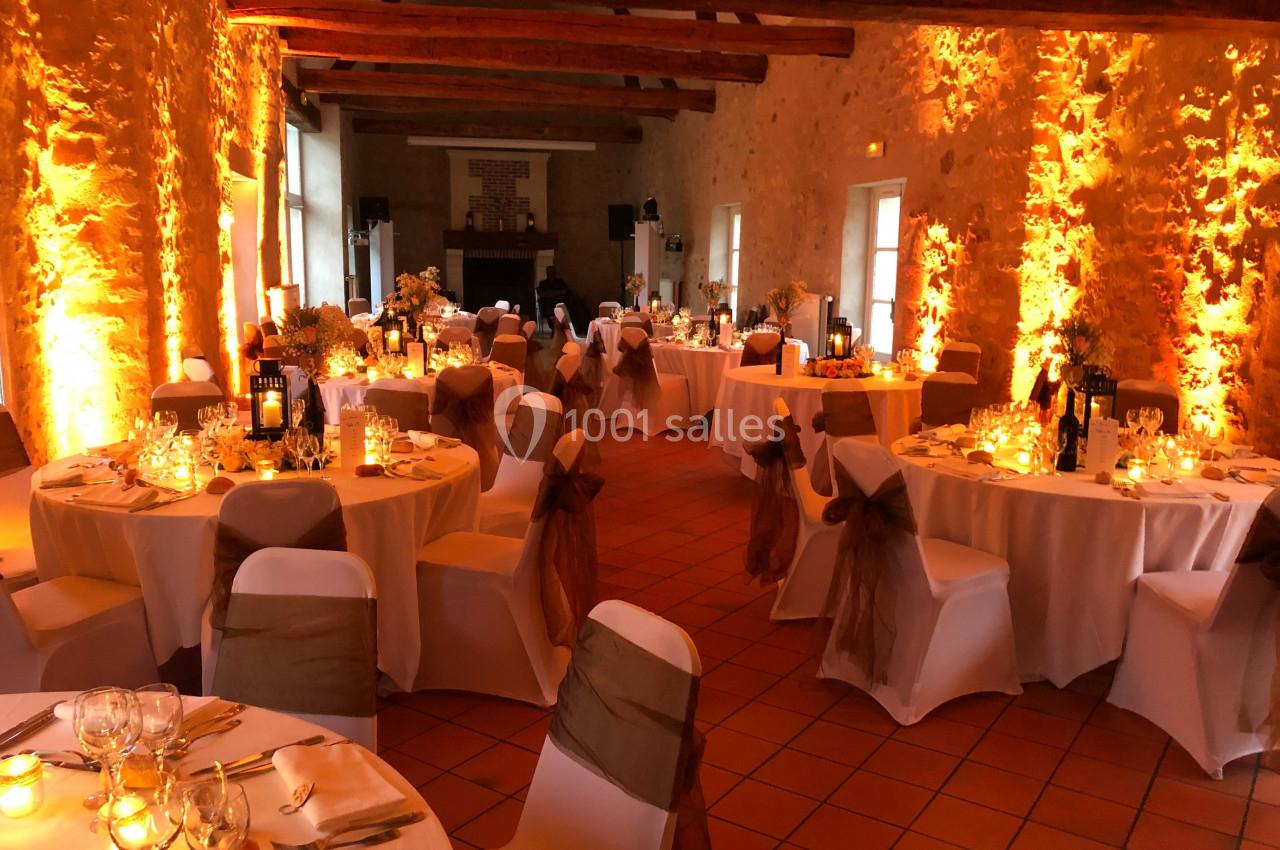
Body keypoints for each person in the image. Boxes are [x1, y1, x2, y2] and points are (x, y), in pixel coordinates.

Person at [537, 266, 568, 331]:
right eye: (549, 272)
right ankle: (554, 328)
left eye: (552, 272)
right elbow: (541, 294)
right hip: (547, 304)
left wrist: (551, 293)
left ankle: (557, 328)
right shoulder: (543, 283)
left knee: (558, 307)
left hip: (558, 302)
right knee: (548, 308)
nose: (551, 273)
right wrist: (553, 293)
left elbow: (563, 291)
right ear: (547, 273)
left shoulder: (560, 282)